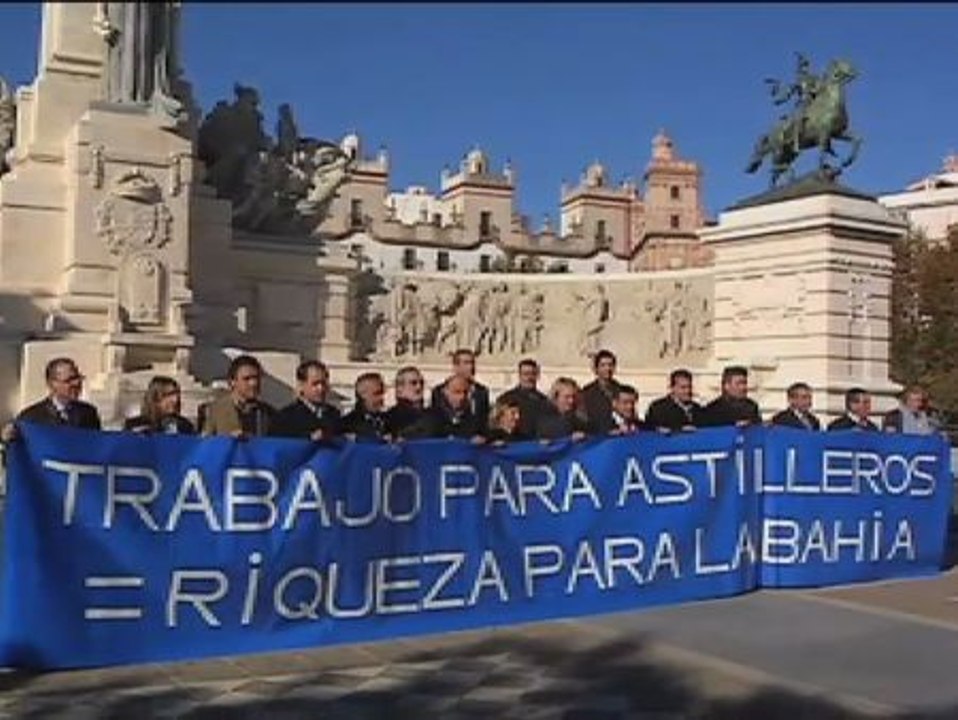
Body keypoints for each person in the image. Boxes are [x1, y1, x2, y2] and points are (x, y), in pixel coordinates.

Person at [7, 358, 102, 436]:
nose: (76, 383)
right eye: (69, 380)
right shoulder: (31, 418)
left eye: (78, 378)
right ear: (52, 384)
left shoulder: (89, 413)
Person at [200, 355, 275, 438]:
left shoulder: (269, 413)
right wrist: (227, 440)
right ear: (232, 381)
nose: (253, 383)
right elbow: (205, 444)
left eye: (256, 378)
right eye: (247, 379)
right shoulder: (214, 410)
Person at [270, 360, 341, 441]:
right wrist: (309, 438)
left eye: (323, 383)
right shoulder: (286, 417)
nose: (320, 389)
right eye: (315, 384)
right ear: (301, 385)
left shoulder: (334, 414)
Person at [406, 375, 485, 442]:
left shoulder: (475, 421)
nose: (462, 397)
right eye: (456, 392)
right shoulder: (431, 417)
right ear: (446, 392)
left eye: (465, 392)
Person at [430, 349, 491, 430]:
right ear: (456, 366)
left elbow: (484, 420)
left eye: (472, 363)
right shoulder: (439, 391)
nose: (471, 367)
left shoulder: (481, 392)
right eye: (466, 363)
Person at [496, 358, 552, 438]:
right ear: (519, 375)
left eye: (533, 374)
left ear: (537, 376)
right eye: (526, 374)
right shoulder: (506, 398)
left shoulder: (544, 401)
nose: (529, 378)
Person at [124, 376, 195, 434]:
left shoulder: (184, 426)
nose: (174, 400)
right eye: (168, 395)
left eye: (176, 395)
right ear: (154, 398)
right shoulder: (134, 425)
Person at [342, 372, 392, 441]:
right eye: (377, 393)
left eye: (382, 393)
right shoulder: (347, 424)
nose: (381, 398)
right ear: (362, 394)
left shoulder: (390, 420)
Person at [537, 377, 591, 441]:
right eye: (567, 397)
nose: (571, 401)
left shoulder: (578, 417)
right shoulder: (544, 414)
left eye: (573, 396)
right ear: (556, 397)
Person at [581, 349, 623, 431]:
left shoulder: (620, 390)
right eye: (603, 365)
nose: (607, 368)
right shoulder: (587, 392)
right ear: (596, 368)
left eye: (610, 365)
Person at [386, 366, 428, 438]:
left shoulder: (433, 415)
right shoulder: (390, 418)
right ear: (400, 389)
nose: (419, 387)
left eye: (421, 383)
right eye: (413, 383)